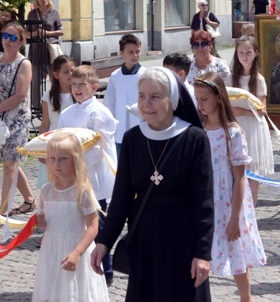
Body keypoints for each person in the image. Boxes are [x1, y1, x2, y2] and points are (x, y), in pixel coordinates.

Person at [91, 67, 213, 301]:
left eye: (155, 97)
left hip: (183, 236)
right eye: (142, 96)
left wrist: (203, 254)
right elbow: (122, 198)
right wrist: (104, 242)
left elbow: (204, 202)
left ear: (172, 100)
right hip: (145, 237)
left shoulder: (194, 138)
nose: (146, 103)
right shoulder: (133, 138)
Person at [193, 72, 266, 302]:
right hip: (203, 199)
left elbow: (240, 178)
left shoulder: (232, 133)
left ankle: (246, 298)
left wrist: (235, 217)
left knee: (236, 254)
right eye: (197, 98)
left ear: (218, 97)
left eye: (205, 98)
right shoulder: (197, 130)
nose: (200, 103)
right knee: (200, 252)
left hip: (227, 201)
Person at [58, 65, 118, 286]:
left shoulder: (100, 113)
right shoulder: (67, 113)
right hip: (71, 177)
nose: (77, 89)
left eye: (82, 85)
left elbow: (101, 146)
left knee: (99, 226)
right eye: (74, 84)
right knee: (76, 224)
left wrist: (77, 161)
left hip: (95, 179)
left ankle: (106, 270)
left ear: (94, 87)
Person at [33, 132, 110, 302]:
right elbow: (49, 223)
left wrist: (77, 252)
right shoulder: (46, 191)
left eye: (63, 159)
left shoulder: (82, 191)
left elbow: (93, 226)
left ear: (75, 159)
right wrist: (43, 224)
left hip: (76, 248)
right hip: (52, 250)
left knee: (76, 292)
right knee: (53, 291)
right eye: (52, 158)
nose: (56, 164)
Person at [0, 23, 35, 221]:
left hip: (16, 121)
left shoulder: (24, 64)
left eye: (13, 38)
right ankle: (29, 199)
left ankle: (2, 211)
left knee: (8, 165)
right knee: (10, 163)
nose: (7, 41)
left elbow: (20, 95)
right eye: (5, 36)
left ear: (21, 42)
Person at [227, 37, 274, 205]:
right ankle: (237, 207)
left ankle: (251, 210)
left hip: (252, 128)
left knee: (252, 170)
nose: (245, 56)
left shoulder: (258, 80)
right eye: (241, 53)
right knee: (236, 169)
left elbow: (262, 110)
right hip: (235, 127)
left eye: (248, 52)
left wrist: (240, 111)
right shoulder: (230, 78)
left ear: (255, 54)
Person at [38, 55, 75, 189]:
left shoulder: (78, 94)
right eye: (66, 72)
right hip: (54, 144)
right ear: (56, 74)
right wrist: (41, 149)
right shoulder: (49, 96)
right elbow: (45, 123)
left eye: (72, 70)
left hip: (73, 144)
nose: (70, 75)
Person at [103, 34, 144, 156]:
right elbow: (109, 104)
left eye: (137, 52)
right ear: (121, 53)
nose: (135, 55)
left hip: (140, 127)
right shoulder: (115, 76)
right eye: (130, 52)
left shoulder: (146, 75)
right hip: (119, 130)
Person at [27, 0, 64, 110]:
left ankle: (56, 104)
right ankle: (37, 107)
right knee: (35, 81)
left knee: (55, 80)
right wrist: (36, 33)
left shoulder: (54, 13)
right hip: (36, 50)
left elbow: (61, 31)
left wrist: (48, 33)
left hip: (50, 50)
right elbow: (26, 34)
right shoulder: (32, 14)